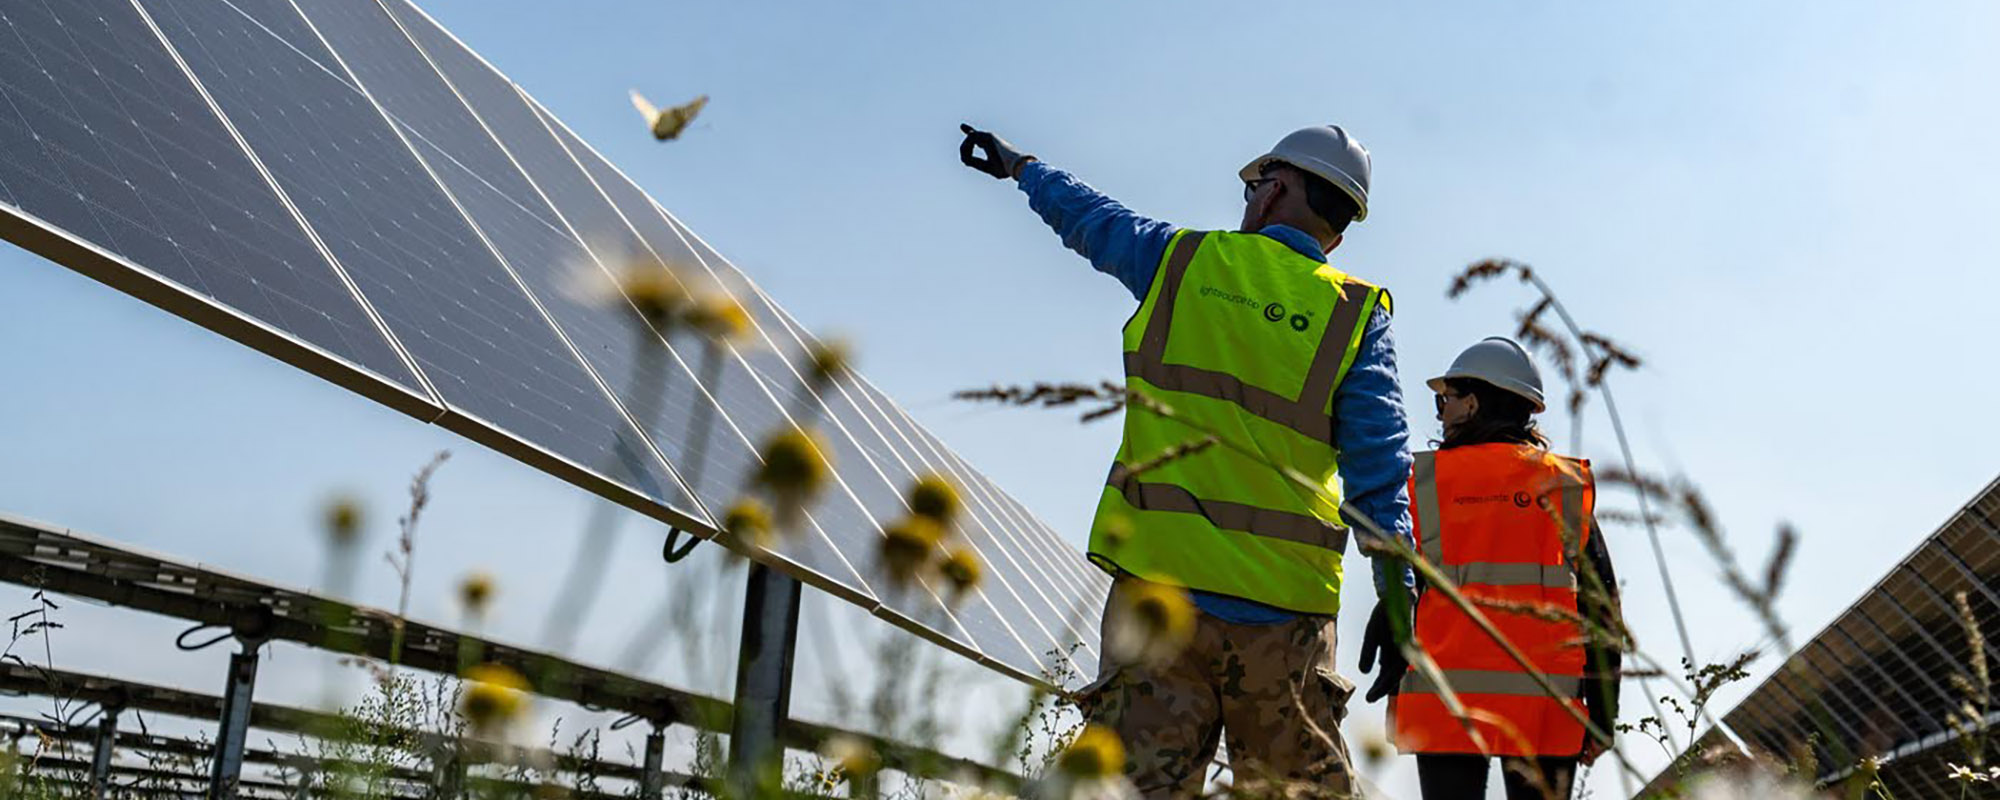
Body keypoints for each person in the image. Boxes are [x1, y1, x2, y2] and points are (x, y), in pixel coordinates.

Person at [958, 123, 1415, 798]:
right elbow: (1380, 468)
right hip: (1285, 623)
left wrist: (1023, 167)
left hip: (1158, 608)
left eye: (1254, 185)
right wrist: (1398, 595)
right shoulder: (1354, 314)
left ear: (1273, 191)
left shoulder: (1184, 261)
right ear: (1337, 236)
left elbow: (1094, 220)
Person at [1360, 337, 1623, 799]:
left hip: (1445, 705)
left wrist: (1392, 617)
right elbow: (1601, 606)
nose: (1440, 412)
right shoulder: (1562, 484)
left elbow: (1407, 580)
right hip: (1546, 708)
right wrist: (1602, 715)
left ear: (1473, 403)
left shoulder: (1424, 481)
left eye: (1447, 400)